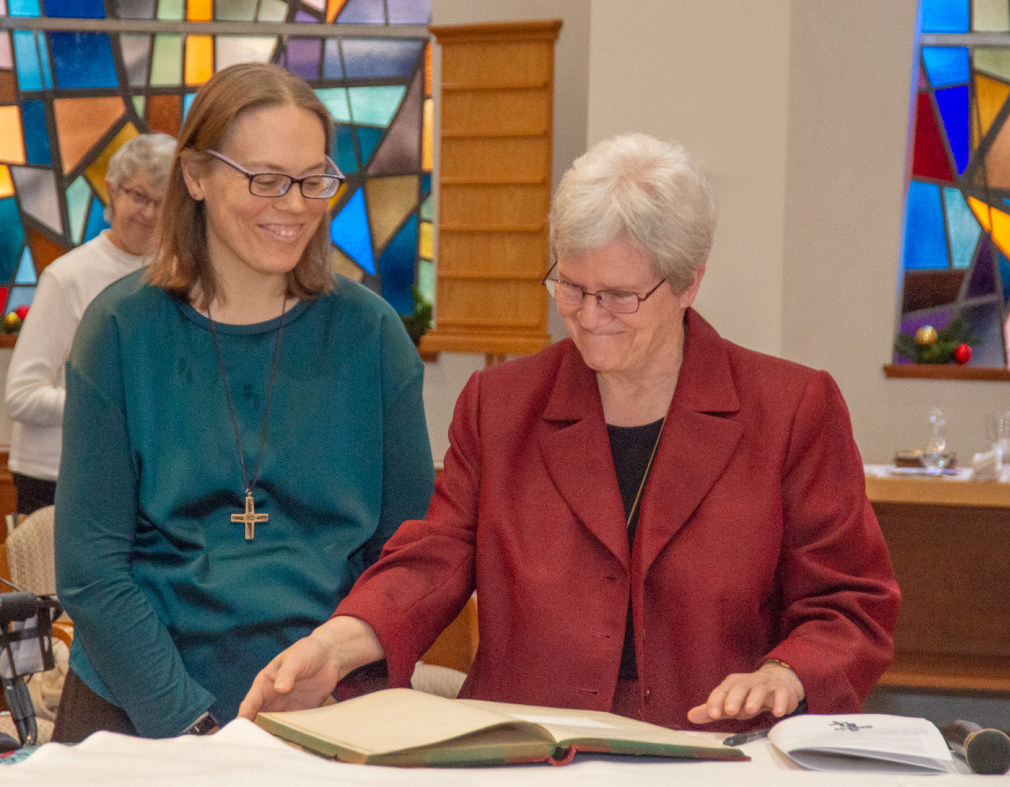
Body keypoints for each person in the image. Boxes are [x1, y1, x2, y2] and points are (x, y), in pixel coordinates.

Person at [240, 134, 900, 732]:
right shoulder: (500, 405)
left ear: (688, 283)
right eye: (570, 285)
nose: (586, 317)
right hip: (527, 743)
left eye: (617, 295)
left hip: (710, 747)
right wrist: (338, 641)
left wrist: (785, 675)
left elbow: (848, 601)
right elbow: (434, 558)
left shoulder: (790, 409)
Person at [52, 63, 434, 741]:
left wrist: (334, 676)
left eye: (313, 179)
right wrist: (192, 725)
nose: (293, 205)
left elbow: (403, 557)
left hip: (327, 710)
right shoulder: (119, 331)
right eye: (264, 178)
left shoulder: (372, 338)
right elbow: (93, 573)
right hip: (137, 708)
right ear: (195, 176)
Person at [4, 133, 177, 515]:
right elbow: (21, 396)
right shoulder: (67, 277)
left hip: (144, 478)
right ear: (112, 192)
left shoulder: (178, 277)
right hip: (55, 477)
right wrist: (112, 407)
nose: (148, 213)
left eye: (162, 204)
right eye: (139, 196)